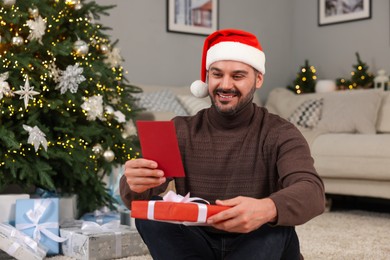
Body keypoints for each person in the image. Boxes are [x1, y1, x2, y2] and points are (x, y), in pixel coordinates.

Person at [120, 28, 325, 260]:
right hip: (197, 240)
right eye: (217, 75)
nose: (225, 85)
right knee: (151, 216)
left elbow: (312, 191)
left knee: (277, 228)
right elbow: (138, 200)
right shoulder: (180, 129)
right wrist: (134, 184)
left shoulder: (280, 132)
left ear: (258, 79)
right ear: (207, 78)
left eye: (238, 76)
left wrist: (267, 208)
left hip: (256, 238)